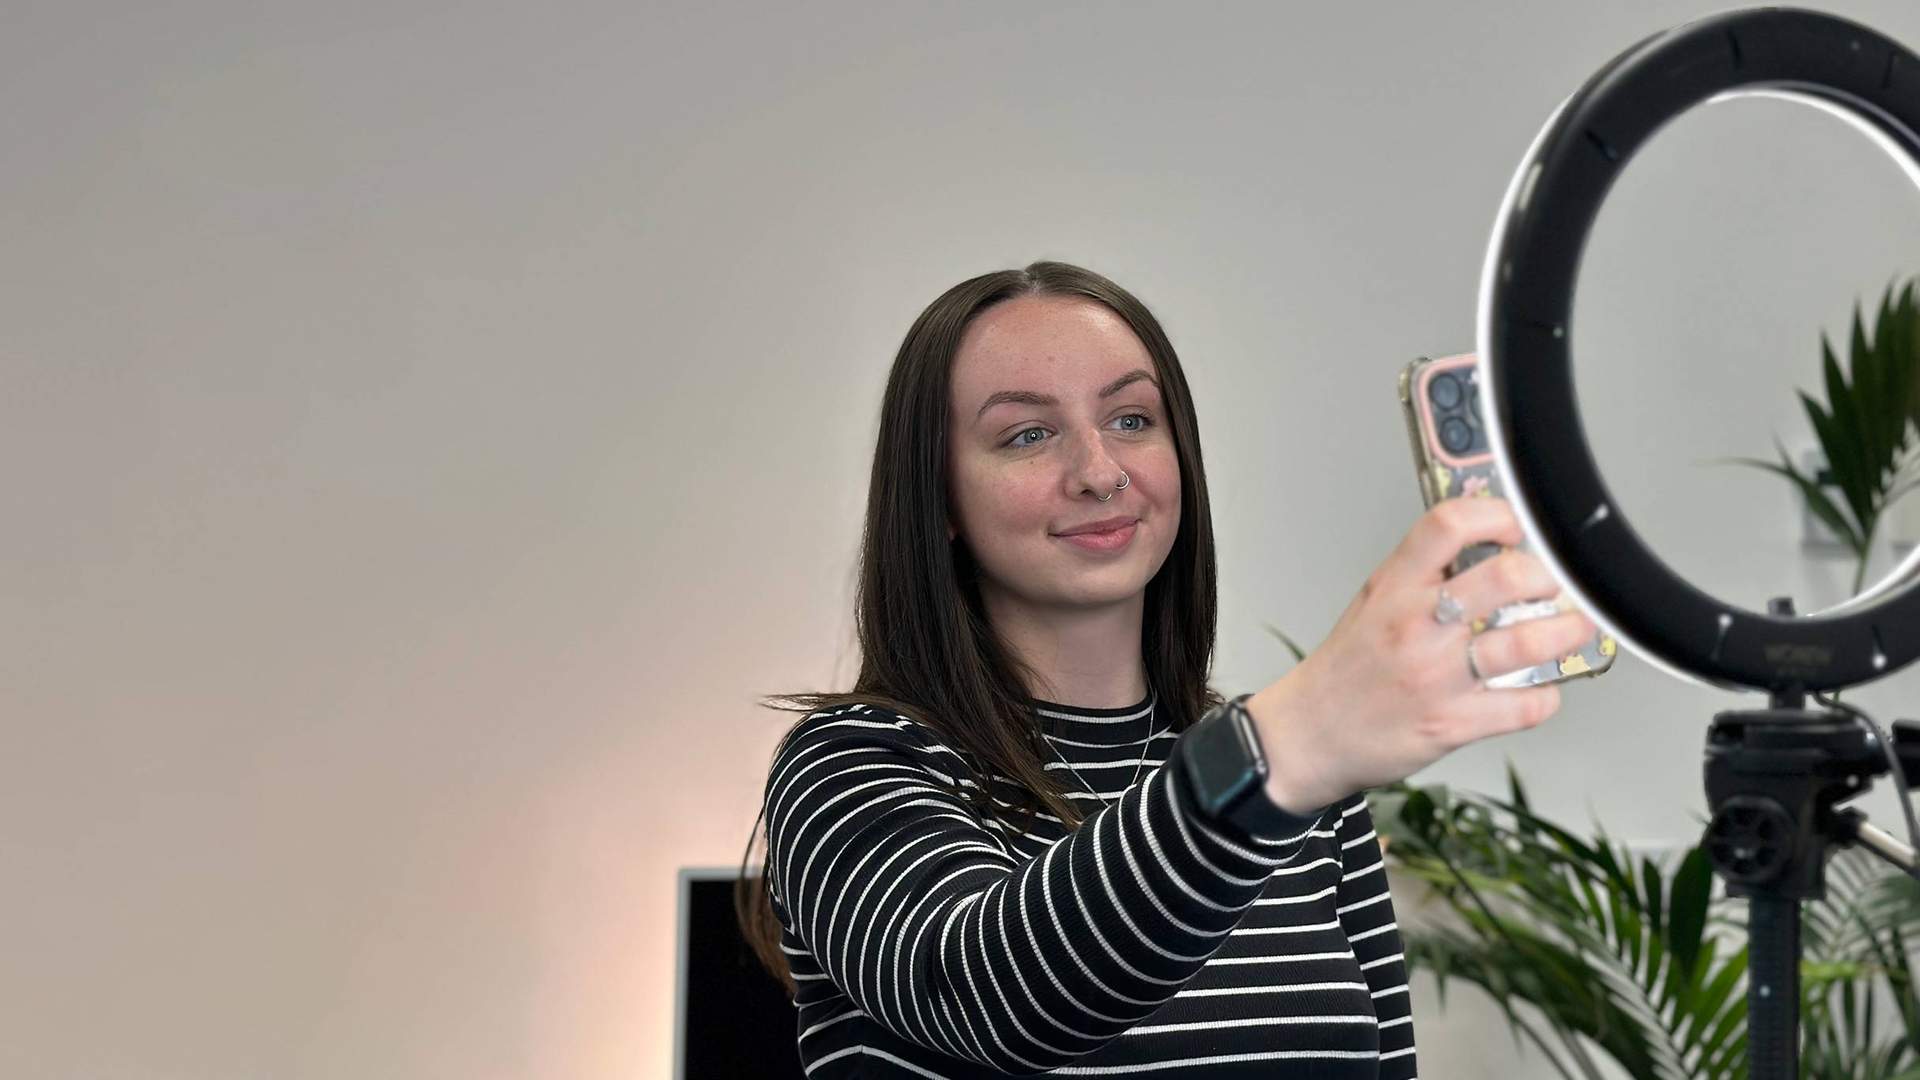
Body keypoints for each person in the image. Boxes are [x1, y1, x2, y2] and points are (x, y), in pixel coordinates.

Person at [736, 261, 1600, 1078]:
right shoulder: (851, 763)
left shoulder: (1304, 791)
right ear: (940, 500)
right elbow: (994, 996)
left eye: (1131, 419)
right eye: (1026, 434)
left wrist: (1288, 757)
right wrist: (1289, 745)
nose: (1100, 473)